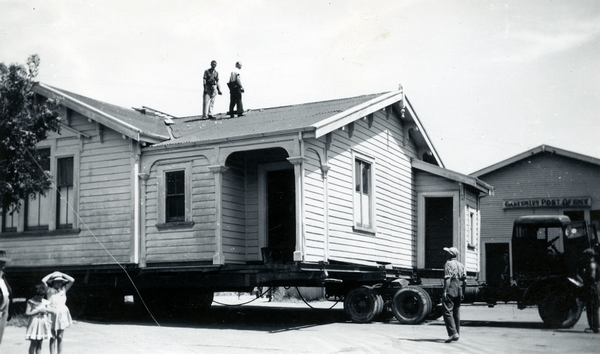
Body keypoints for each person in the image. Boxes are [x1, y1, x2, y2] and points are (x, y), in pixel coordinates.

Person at [43, 271, 74, 354]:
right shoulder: (49, 290)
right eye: (57, 282)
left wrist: (62, 274)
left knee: (60, 337)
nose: (59, 283)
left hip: (61, 314)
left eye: (60, 282)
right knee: (52, 337)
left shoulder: (64, 290)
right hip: (51, 313)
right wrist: (53, 273)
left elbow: (72, 280)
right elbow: (43, 280)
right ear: (53, 282)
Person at [442, 246, 466, 343]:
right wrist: (463, 292)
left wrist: (444, 291)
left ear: (450, 254)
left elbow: (447, 279)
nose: (445, 254)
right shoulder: (461, 265)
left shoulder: (448, 264)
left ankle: (453, 333)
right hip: (459, 288)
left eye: (447, 252)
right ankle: (457, 333)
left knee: (447, 310)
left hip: (451, 287)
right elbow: (465, 281)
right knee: (456, 311)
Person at [25, 283, 54, 354]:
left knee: (40, 343)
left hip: (42, 324)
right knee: (33, 342)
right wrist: (37, 311)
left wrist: (46, 310)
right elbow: (27, 314)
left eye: (42, 295)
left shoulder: (45, 302)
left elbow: (52, 311)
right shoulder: (31, 301)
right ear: (35, 294)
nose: (41, 297)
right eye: (39, 295)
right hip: (34, 324)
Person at [581, 248, 599, 333]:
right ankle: (593, 326)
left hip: (592, 288)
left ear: (589, 256)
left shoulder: (592, 265)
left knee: (592, 308)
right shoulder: (592, 264)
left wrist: (585, 275)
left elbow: (592, 277)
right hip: (592, 288)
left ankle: (595, 327)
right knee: (591, 307)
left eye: (585, 256)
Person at [0, 250, 11, 345]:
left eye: (4, 262)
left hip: (4, 309)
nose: (4, 264)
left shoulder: (2, 276)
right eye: (1, 262)